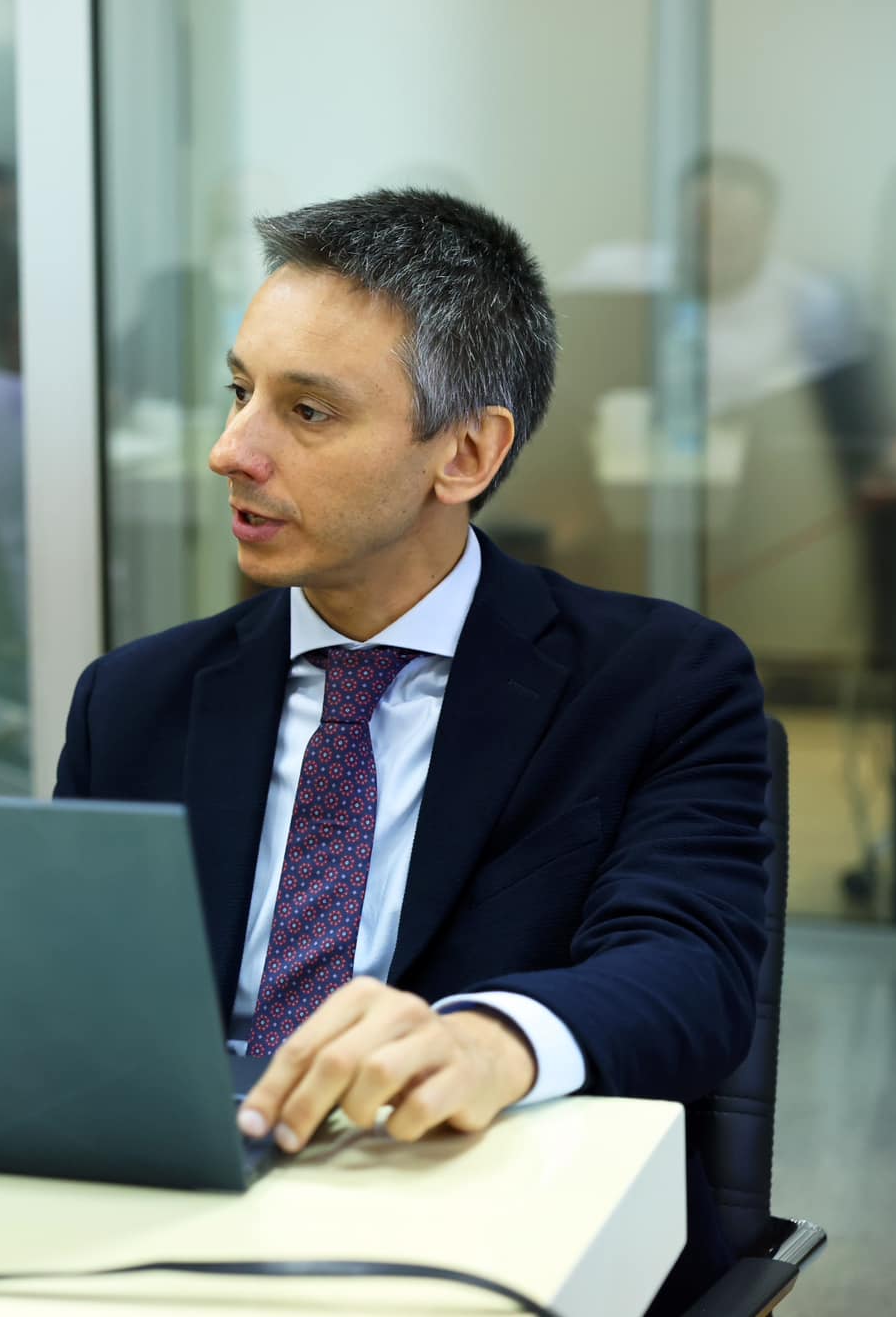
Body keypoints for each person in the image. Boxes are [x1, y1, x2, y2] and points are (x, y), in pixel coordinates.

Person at [54, 189, 771, 1314]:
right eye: (239, 393)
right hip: (174, 1226)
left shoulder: (655, 682)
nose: (229, 451)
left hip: (476, 1214)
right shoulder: (136, 699)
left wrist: (491, 1040)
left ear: (466, 452)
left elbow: (689, 970)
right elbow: (69, 1003)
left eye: (306, 413)